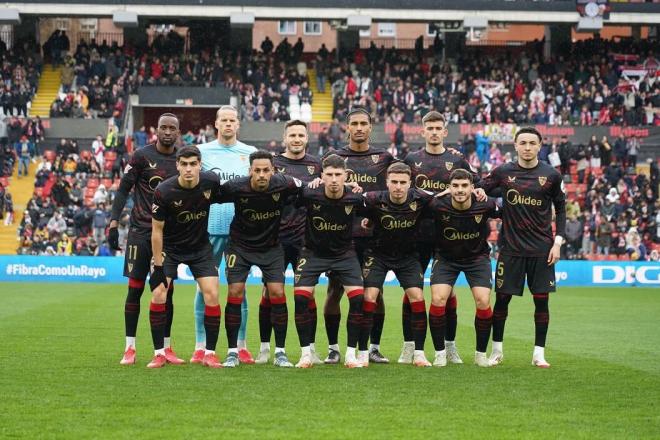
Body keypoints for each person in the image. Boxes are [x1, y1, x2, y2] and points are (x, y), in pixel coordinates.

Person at [480, 126, 566, 368]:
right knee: (502, 300)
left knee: (541, 302)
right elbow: (478, 187)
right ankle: (497, 351)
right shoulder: (503, 172)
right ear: (515, 146)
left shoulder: (551, 175)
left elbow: (560, 209)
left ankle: (539, 353)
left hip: (542, 249)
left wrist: (557, 242)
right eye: (523, 143)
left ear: (539, 146)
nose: (527, 147)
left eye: (532, 143)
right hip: (511, 249)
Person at [401, 111, 480, 364]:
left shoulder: (457, 160)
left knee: (448, 294)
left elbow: (474, 187)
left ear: (445, 132)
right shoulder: (412, 159)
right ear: (422, 131)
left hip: (448, 236)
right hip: (416, 234)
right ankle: (409, 345)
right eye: (429, 128)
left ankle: (449, 346)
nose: (434, 132)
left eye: (438, 128)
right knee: (411, 290)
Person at [215, 150, 302, 368]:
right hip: (240, 247)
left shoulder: (284, 183)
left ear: (273, 171)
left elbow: (308, 188)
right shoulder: (236, 187)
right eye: (257, 171)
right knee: (235, 291)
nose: (262, 175)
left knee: (277, 292)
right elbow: (209, 197)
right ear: (250, 171)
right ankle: (232, 352)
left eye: (266, 170)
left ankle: (280, 352)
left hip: (271, 248)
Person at [108, 113, 182, 366]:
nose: (168, 132)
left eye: (173, 128)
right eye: (164, 127)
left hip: (168, 237)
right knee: (135, 290)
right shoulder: (141, 156)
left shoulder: (182, 160)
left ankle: (167, 348)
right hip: (140, 233)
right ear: (156, 130)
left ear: (178, 132)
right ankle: (130, 347)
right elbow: (122, 190)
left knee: (166, 291)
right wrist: (114, 223)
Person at [322, 107, 395, 364]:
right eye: (355, 123)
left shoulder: (384, 158)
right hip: (342, 235)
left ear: (370, 126)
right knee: (335, 290)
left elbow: (407, 179)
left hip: (375, 236)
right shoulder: (335, 157)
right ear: (347, 127)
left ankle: (373, 347)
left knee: (376, 292)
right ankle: (333, 348)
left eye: (364, 123)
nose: (360, 128)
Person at [192, 105, 257, 365]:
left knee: (238, 288)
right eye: (224, 120)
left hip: (241, 231)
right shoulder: (202, 152)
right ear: (216, 124)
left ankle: (241, 345)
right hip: (209, 229)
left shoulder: (250, 154)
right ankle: (200, 346)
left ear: (238, 125)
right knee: (204, 288)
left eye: (233, 120)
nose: (228, 124)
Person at [148, 145, 223, 369]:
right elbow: (156, 230)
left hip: (200, 248)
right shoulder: (164, 191)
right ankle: (159, 353)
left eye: (193, 164)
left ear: (200, 165)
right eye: (184, 164)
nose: (189, 169)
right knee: (159, 293)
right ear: (177, 166)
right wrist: (158, 267)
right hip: (170, 249)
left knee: (212, 294)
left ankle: (209, 353)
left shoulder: (211, 182)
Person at [255, 120, 322, 365]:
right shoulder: (273, 164)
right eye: (292, 135)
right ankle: (265, 348)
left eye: (300, 135)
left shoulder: (317, 164)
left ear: (307, 138)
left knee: (307, 295)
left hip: (306, 239)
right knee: (270, 293)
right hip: (276, 239)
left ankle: (310, 349)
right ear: (285, 138)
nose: (296, 139)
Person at [293, 154, 365, 368]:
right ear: (322, 176)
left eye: (338, 175)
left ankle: (351, 355)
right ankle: (306, 354)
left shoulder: (355, 196)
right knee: (300, 299)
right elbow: (291, 196)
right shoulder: (309, 193)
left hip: (344, 255)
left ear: (346, 176)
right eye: (330, 175)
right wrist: (308, 183)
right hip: (312, 253)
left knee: (358, 299)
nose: (334, 179)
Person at [360, 162, 435, 367]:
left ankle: (419, 353)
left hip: (408, 257)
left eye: (403, 182)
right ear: (387, 182)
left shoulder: (421, 198)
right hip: (378, 255)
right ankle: (363, 351)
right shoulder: (374, 199)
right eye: (394, 182)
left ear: (410, 183)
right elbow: (348, 200)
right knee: (369, 297)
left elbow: (445, 196)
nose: (398, 187)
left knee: (418, 298)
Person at [426, 169, 500, 367]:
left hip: (477, 258)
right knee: (438, 299)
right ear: (449, 188)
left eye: (464, 186)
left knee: (483, 301)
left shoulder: (485, 204)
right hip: (446, 258)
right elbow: (414, 202)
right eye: (456, 186)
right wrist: (434, 195)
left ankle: (480, 355)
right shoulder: (437, 204)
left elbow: (509, 214)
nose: (460, 190)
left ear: (472, 187)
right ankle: (440, 353)